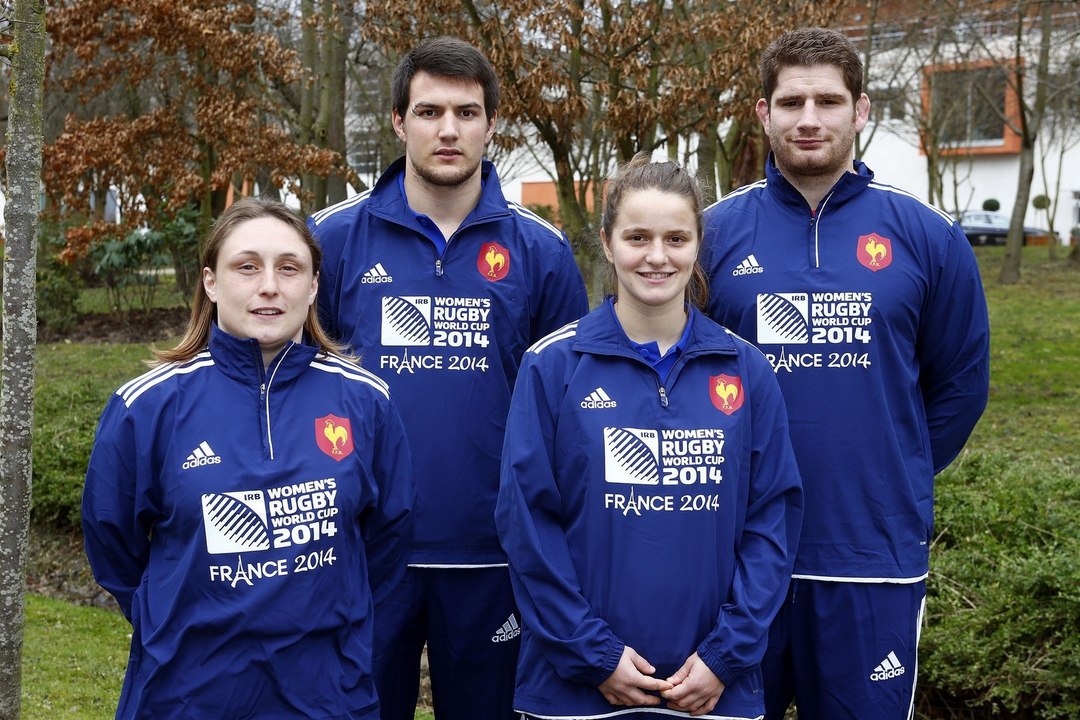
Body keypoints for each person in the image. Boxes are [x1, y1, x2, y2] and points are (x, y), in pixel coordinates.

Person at [701, 27, 991, 720]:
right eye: (791, 100)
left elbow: (960, 386)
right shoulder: (709, 235)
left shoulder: (926, 235)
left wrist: (898, 468)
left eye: (828, 101)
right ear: (762, 112)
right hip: (731, 556)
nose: (809, 118)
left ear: (862, 110)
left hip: (871, 552)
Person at [308, 37, 589, 720]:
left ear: (492, 124)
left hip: (494, 555)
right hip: (365, 552)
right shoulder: (331, 240)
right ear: (399, 123)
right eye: (430, 112)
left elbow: (572, 413)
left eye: (467, 112)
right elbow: (294, 388)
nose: (449, 129)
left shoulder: (541, 251)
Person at [496, 154, 803, 719]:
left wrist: (723, 657)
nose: (657, 256)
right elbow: (528, 527)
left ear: (696, 246)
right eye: (637, 237)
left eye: (675, 238)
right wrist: (595, 655)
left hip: (711, 690)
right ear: (608, 244)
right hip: (578, 690)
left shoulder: (748, 371)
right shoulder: (552, 367)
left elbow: (772, 526)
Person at [82, 197, 414, 720]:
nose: (269, 286)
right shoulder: (145, 408)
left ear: (313, 287)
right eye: (247, 266)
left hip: (328, 695)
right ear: (211, 284)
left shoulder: (367, 402)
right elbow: (112, 544)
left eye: (288, 268)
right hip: (185, 695)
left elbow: (387, 542)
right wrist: (170, 619)